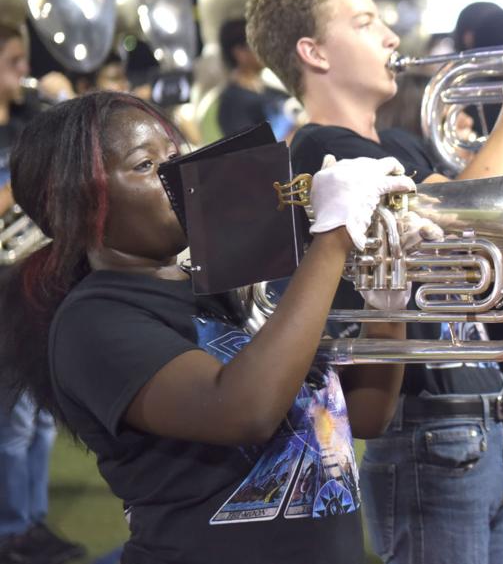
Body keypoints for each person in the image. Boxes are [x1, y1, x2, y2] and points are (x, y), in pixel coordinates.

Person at [246, 0, 503, 564]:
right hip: (426, 429)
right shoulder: (322, 151)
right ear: (314, 53)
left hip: (485, 419)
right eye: (365, 21)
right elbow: (473, 211)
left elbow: (488, 242)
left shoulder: (398, 145)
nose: (391, 37)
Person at [0, 91, 419, 563]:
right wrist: (333, 236)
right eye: (144, 166)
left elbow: (362, 417)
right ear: (73, 207)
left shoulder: (222, 286)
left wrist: (388, 304)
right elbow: (246, 409)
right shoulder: (93, 321)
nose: (177, 177)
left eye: (176, 156)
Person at [0, 21, 86, 564]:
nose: (23, 73)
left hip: (31, 285)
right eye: (12, 63)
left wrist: (67, 106)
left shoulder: (29, 123)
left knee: (39, 416)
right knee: (10, 420)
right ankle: (10, 530)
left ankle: (30, 522)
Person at [216, 19, 295, 140]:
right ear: (239, 53)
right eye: (257, 45)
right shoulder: (232, 103)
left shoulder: (272, 88)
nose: (265, 51)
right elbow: (249, 149)